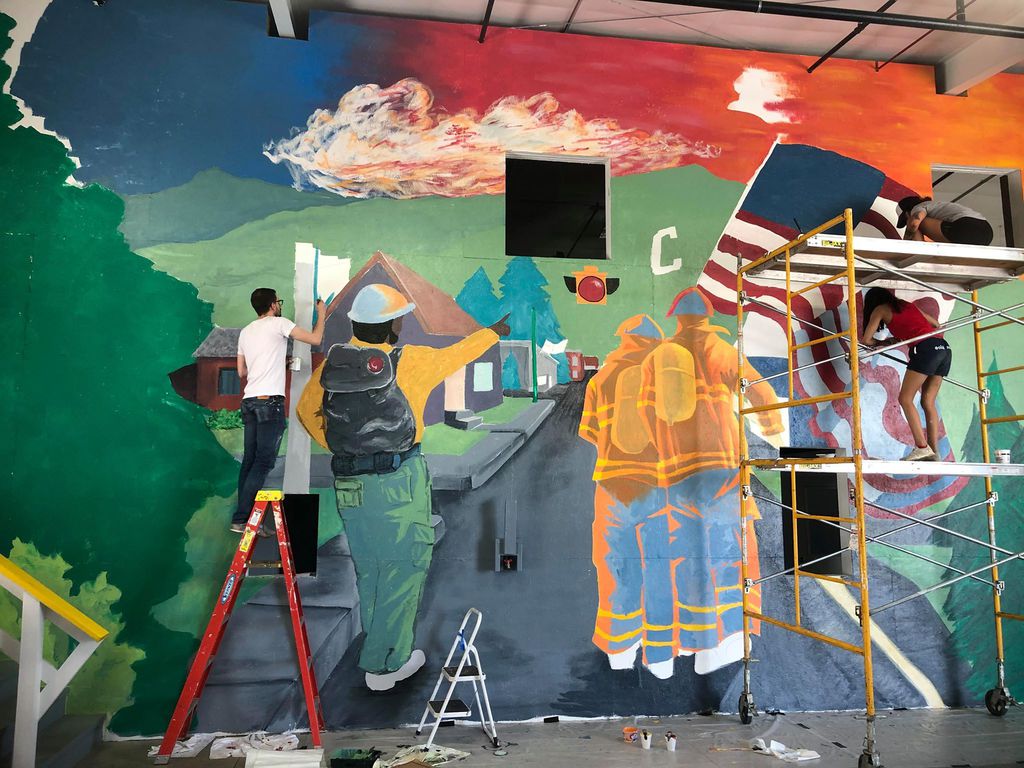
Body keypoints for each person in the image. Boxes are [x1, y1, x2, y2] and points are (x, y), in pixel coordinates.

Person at [296, 284, 510, 691]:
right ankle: (385, 664)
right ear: (393, 325)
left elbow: (308, 413)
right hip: (398, 478)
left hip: (350, 483)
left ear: (358, 324)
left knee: (372, 568)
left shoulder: (334, 365)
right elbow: (458, 356)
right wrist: (493, 332)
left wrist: (346, 447)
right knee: (405, 568)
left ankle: (378, 647)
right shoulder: (412, 360)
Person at [232, 288, 325, 534]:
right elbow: (315, 340)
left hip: (249, 401)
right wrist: (322, 313)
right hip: (268, 403)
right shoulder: (279, 323)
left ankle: (241, 519)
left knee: (249, 462)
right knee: (263, 462)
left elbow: (242, 372)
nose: (279, 305)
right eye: (278, 302)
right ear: (273, 305)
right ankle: (243, 519)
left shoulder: (246, 331)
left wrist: (276, 364)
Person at [861, 286, 950, 462]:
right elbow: (936, 324)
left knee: (905, 399)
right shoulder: (906, 305)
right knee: (928, 401)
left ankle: (922, 448)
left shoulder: (881, 309)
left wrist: (885, 342)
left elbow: (866, 340)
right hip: (944, 349)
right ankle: (933, 452)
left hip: (925, 350)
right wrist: (909, 329)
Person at [897, 195, 993, 246]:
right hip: (987, 234)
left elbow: (914, 223)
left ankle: (918, 251)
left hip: (966, 229)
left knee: (916, 224)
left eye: (905, 220)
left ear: (907, 212)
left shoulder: (918, 208)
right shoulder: (936, 205)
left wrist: (906, 243)